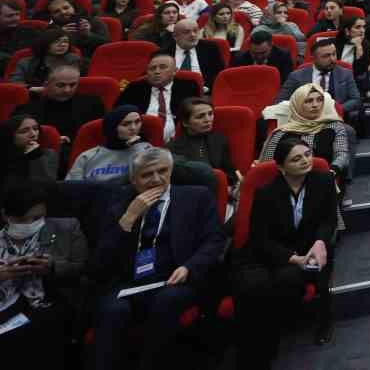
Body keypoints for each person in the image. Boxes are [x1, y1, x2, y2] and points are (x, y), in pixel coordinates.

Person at [88, 148, 225, 370]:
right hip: (129, 281)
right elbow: (99, 261)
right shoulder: (117, 201)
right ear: (133, 179)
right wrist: (128, 218)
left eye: (163, 171)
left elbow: (214, 240)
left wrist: (189, 267)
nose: (156, 179)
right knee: (112, 310)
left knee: (166, 300)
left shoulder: (196, 196)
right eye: (146, 175)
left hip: (175, 276)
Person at [234, 135, 338, 363]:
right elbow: (259, 239)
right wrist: (292, 258)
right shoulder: (266, 193)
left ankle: (270, 339)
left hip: (307, 248)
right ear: (281, 167)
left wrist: (320, 241)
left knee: (286, 280)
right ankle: (256, 352)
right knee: (254, 286)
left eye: (308, 154)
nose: (305, 161)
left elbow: (328, 221)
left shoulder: (324, 181)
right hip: (269, 253)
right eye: (296, 159)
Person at [1, 179, 88, 370]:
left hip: (49, 298)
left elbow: (85, 269)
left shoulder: (67, 228)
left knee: (27, 333)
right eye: (23, 220)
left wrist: (53, 267)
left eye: (38, 217)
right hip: (5, 301)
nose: (32, 224)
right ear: (6, 215)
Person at [258, 85, 356, 202]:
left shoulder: (335, 126)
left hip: (325, 180)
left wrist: (331, 171)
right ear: (298, 105)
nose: (315, 105)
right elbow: (268, 164)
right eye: (309, 101)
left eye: (319, 100)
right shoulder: (282, 132)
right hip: (288, 184)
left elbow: (342, 155)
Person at [16, 66, 104, 150]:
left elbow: (100, 134)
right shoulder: (28, 109)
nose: (67, 90)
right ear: (47, 84)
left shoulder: (92, 103)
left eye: (73, 85)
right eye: (61, 85)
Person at [116, 54, 198, 144]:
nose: (157, 72)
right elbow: (118, 115)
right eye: (152, 69)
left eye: (163, 67)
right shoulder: (135, 88)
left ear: (175, 71)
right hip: (140, 142)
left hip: (181, 142)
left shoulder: (188, 87)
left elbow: (196, 115)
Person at [166, 97, 239, 190]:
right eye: (200, 116)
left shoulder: (219, 140)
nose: (208, 119)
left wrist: (229, 187)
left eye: (210, 114)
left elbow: (230, 173)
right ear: (185, 122)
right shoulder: (172, 148)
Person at [277, 38, 362, 116]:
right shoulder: (296, 76)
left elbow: (356, 99)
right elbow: (281, 101)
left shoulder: (345, 74)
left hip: (334, 117)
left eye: (334, 54)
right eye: (326, 56)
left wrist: (338, 108)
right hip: (305, 118)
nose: (332, 59)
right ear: (314, 58)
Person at [68, 107, 149, 184]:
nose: (133, 128)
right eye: (125, 124)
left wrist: (138, 148)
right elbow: (71, 188)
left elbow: (152, 179)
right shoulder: (88, 157)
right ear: (112, 128)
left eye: (137, 122)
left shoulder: (147, 150)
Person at [2, 116, 58, 196]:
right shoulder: (5, 154)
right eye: (24, 131)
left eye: (35, 129)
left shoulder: (48, 154)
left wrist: (35, 156)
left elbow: (47, 186)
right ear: (10, 136)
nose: (33, 134)